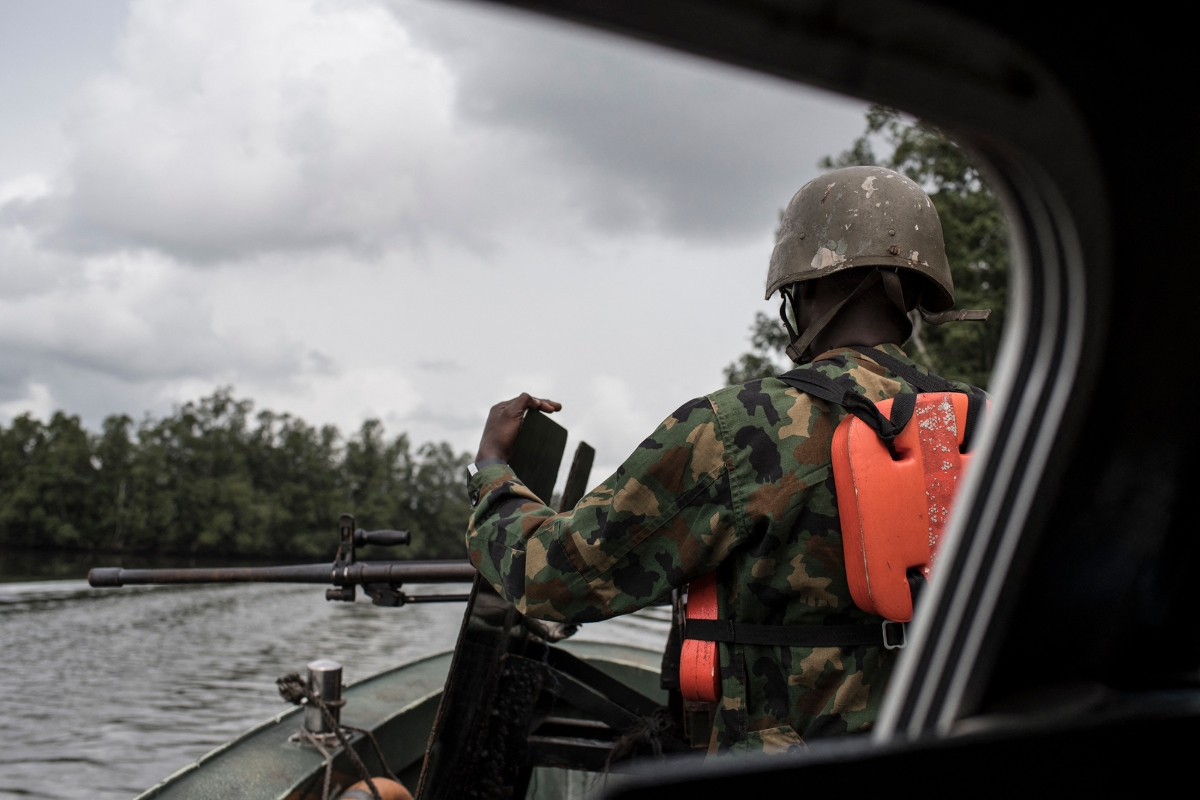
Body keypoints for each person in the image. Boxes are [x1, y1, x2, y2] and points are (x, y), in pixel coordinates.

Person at [463, 165, 982, 755]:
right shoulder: (987, 424)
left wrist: (492, 471)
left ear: (804, 289)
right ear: (917, 293)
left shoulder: (737, 426)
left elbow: (553, 578)